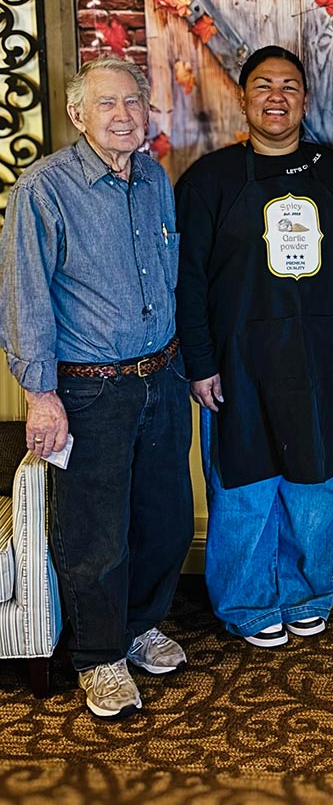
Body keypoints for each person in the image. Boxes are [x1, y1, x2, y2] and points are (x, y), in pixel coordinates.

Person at [0, 56, 193, 719]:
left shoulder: (153, 180)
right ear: (78, 115)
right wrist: (41, 394)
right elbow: (24, 296)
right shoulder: (44, 188)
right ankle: (99, 657)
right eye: (107, 104)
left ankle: (140, 624)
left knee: (164, 521)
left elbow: (166, 280)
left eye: (134, 103)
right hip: (88, 392)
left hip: (160, 378)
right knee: (94, 536)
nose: (123, 115)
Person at [175, 46, 333, 648]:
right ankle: (249, 602)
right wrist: (199, 364)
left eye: (289, 86)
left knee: (316, 489)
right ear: (244, 96)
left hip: (320, 359)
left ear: (305, 99)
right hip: (237, 363)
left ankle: (308, 592)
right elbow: (189, 280)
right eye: (263, 85)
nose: (276, 96)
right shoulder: (209, 179)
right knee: (245, 487)